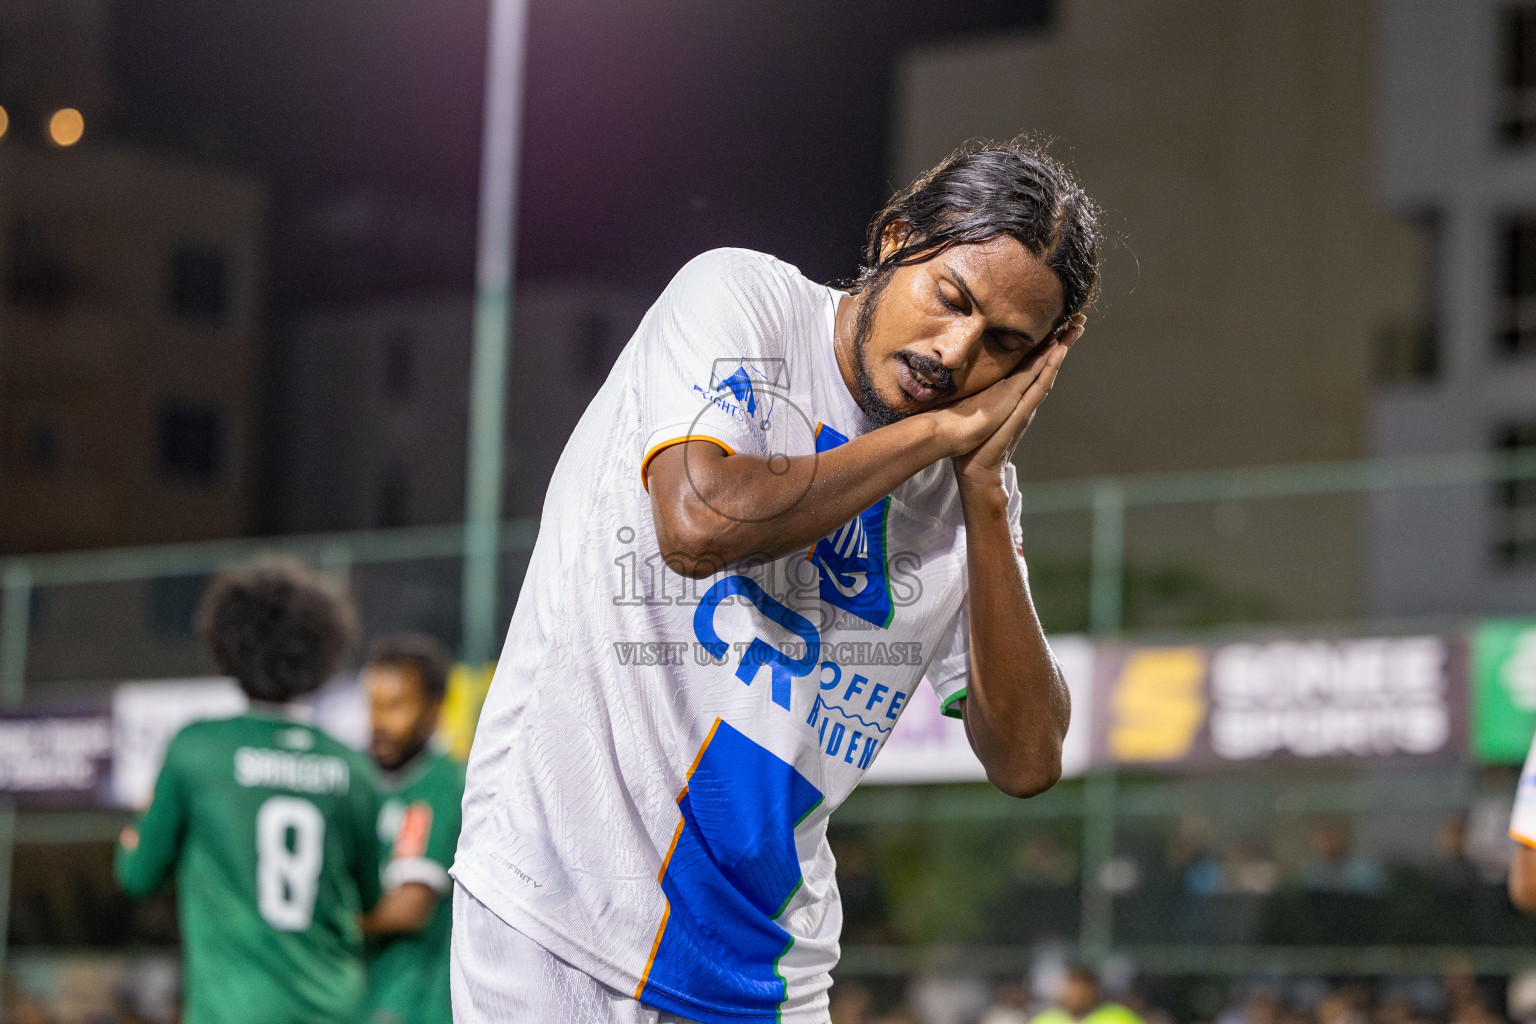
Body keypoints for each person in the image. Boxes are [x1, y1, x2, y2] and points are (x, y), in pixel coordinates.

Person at [452, 138, 1101, 1023]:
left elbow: (1027, 759)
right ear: (893, 238)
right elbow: (700, 523)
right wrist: (939, 441)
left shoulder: (972, 491)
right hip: (555, 918)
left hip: (772, 973)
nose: (955, 354)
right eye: (950, 299)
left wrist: (984, 492)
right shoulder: (739, 299)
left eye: (1005, 346)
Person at [115, 558, 381, 1024]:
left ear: (229, 645)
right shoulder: (354, 769)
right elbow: (371, 898)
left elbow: (138, 875)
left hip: (233, 1011)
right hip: (336, 1009)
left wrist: (138, 832)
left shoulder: (198, 748)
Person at [358, 632, 464, 1024]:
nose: (378, 722)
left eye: (395, 706)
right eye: (372, 705)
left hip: (411, 1003)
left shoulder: (439, 784)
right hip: (365, 999)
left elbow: (408, 907)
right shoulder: (369, 782)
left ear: (435, 709)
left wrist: (318, 917)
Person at [1027, 967, 1142, 1024]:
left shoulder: (1119, 1018)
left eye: (1082, 989)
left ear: (1093, 990)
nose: (1076, 994)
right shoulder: (1046, 1020)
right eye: (1072, 987)